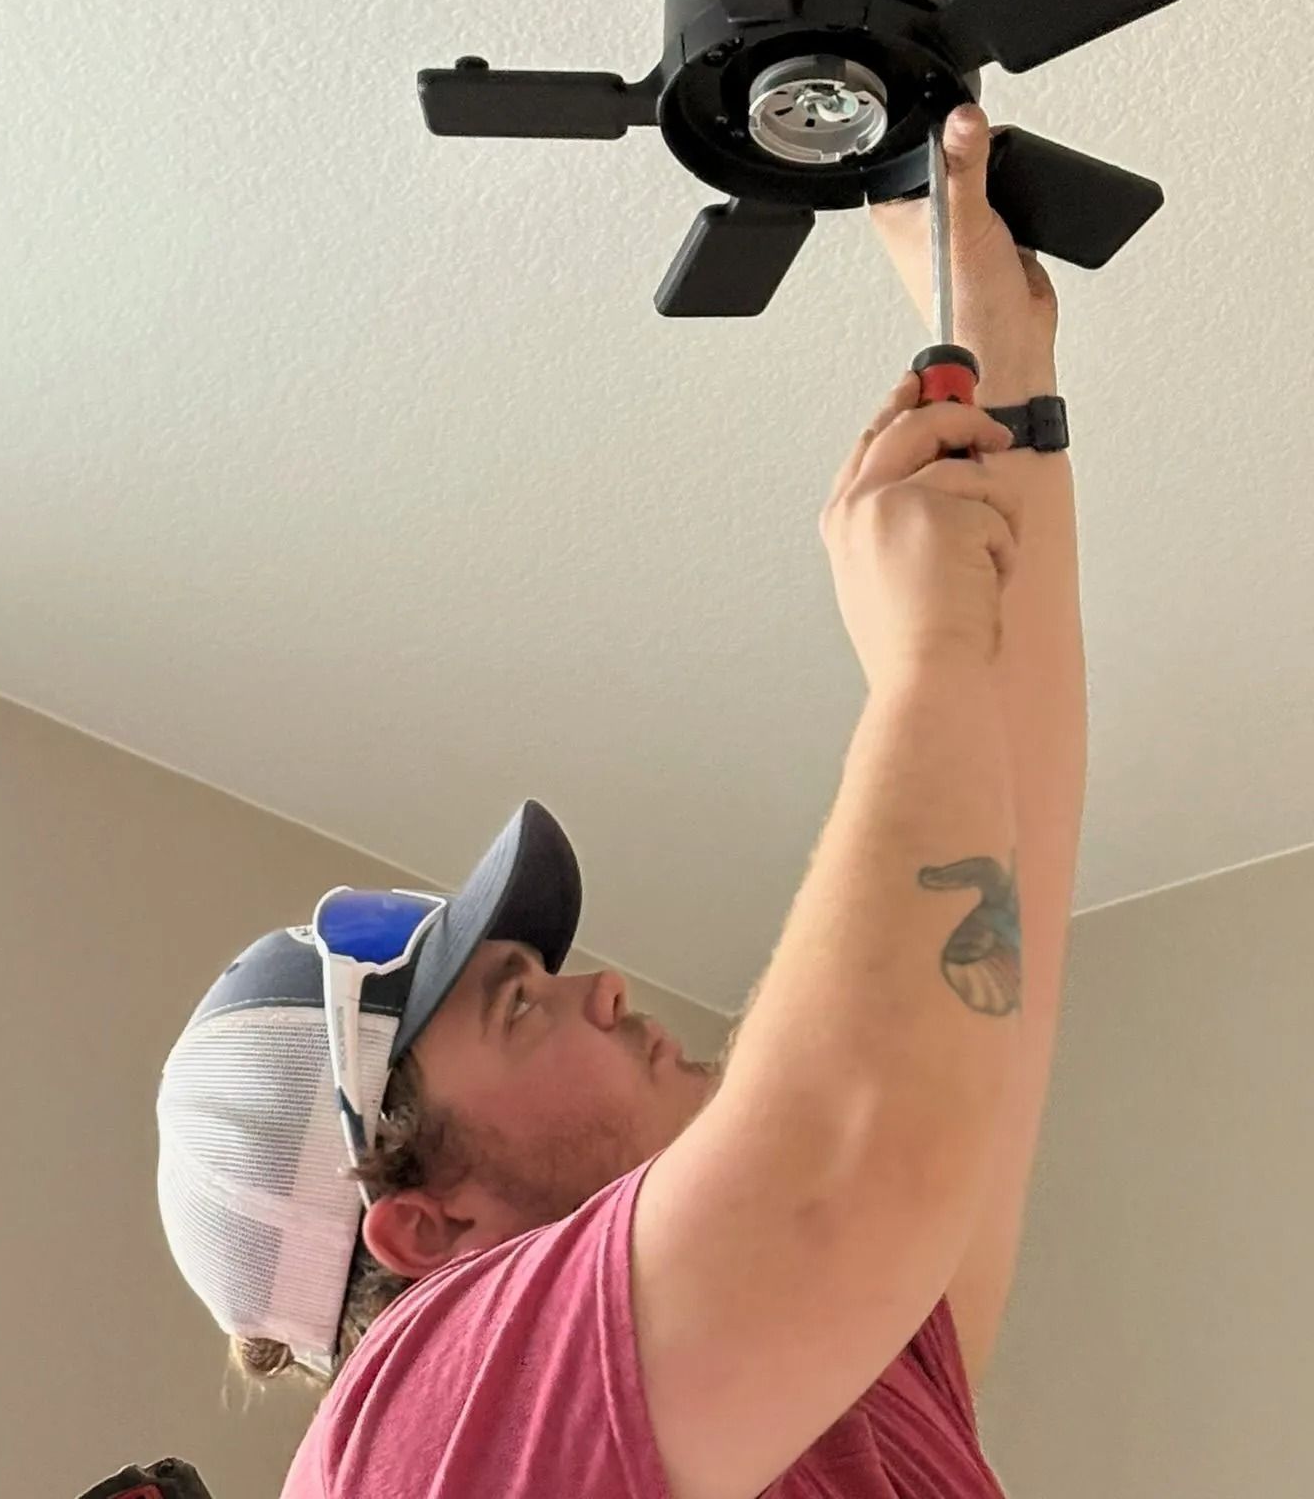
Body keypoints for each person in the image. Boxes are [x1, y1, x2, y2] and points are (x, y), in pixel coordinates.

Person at [156, 103, 1081, 1498]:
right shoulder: (420, 1422)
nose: (604, 991)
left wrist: (1010, 383)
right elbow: (849, 1160)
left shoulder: (845, 1372)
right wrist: (924, 659)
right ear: (421, 1228)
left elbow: (1003, 932)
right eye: (518, 1002)